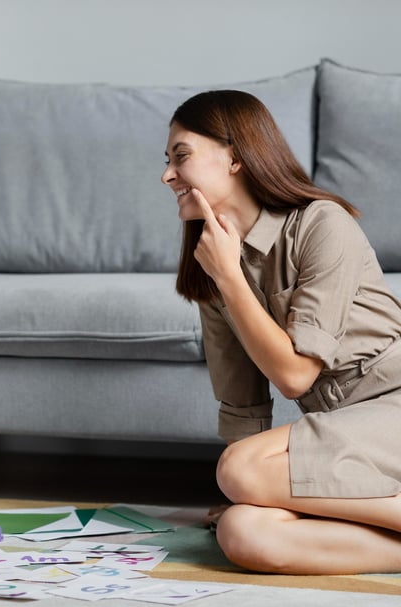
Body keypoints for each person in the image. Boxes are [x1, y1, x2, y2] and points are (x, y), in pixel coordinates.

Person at [161, 90, 401, 575]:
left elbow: (294, 377)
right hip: (340, 432)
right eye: (167, 161)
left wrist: (231, 278)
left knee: (239, 470)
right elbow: (242, 402)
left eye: (180, 156)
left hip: (392, 410)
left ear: (235, 158)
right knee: (242, 531)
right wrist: (248, 494)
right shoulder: (212, 260)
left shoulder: (322, 224)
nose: (167, 175)